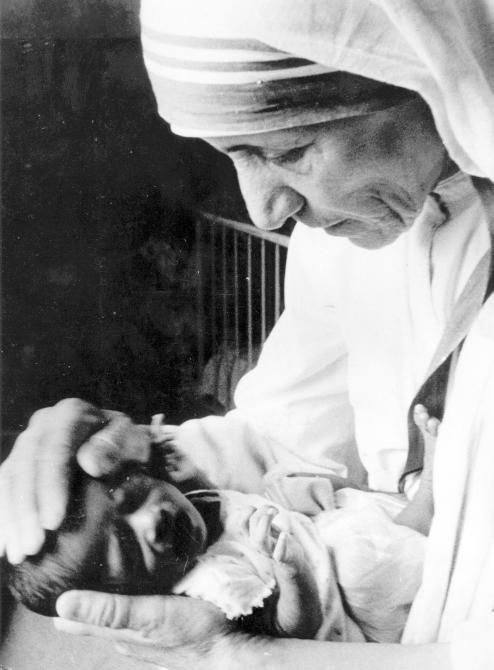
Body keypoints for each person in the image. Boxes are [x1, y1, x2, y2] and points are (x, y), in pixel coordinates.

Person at [1, 1, 494, 669]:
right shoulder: (348, 233)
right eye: (234, 156)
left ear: (426, 76)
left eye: (287, 150)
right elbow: (293, 440)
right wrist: (131, 461)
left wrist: (257, 659)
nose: (266, 208)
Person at [7, 411, 436, 644]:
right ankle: (427, 503)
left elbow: (214, 505)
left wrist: (188, 470)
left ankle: (407, 509)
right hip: (346, 609)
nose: (151, 519)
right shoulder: (211, 586)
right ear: (123, 594)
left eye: (136, 494)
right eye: (128, 547)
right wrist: (292, 575)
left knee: (291, 486)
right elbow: (294, 630)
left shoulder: (187, 524)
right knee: (359, 559)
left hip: (307, 534)